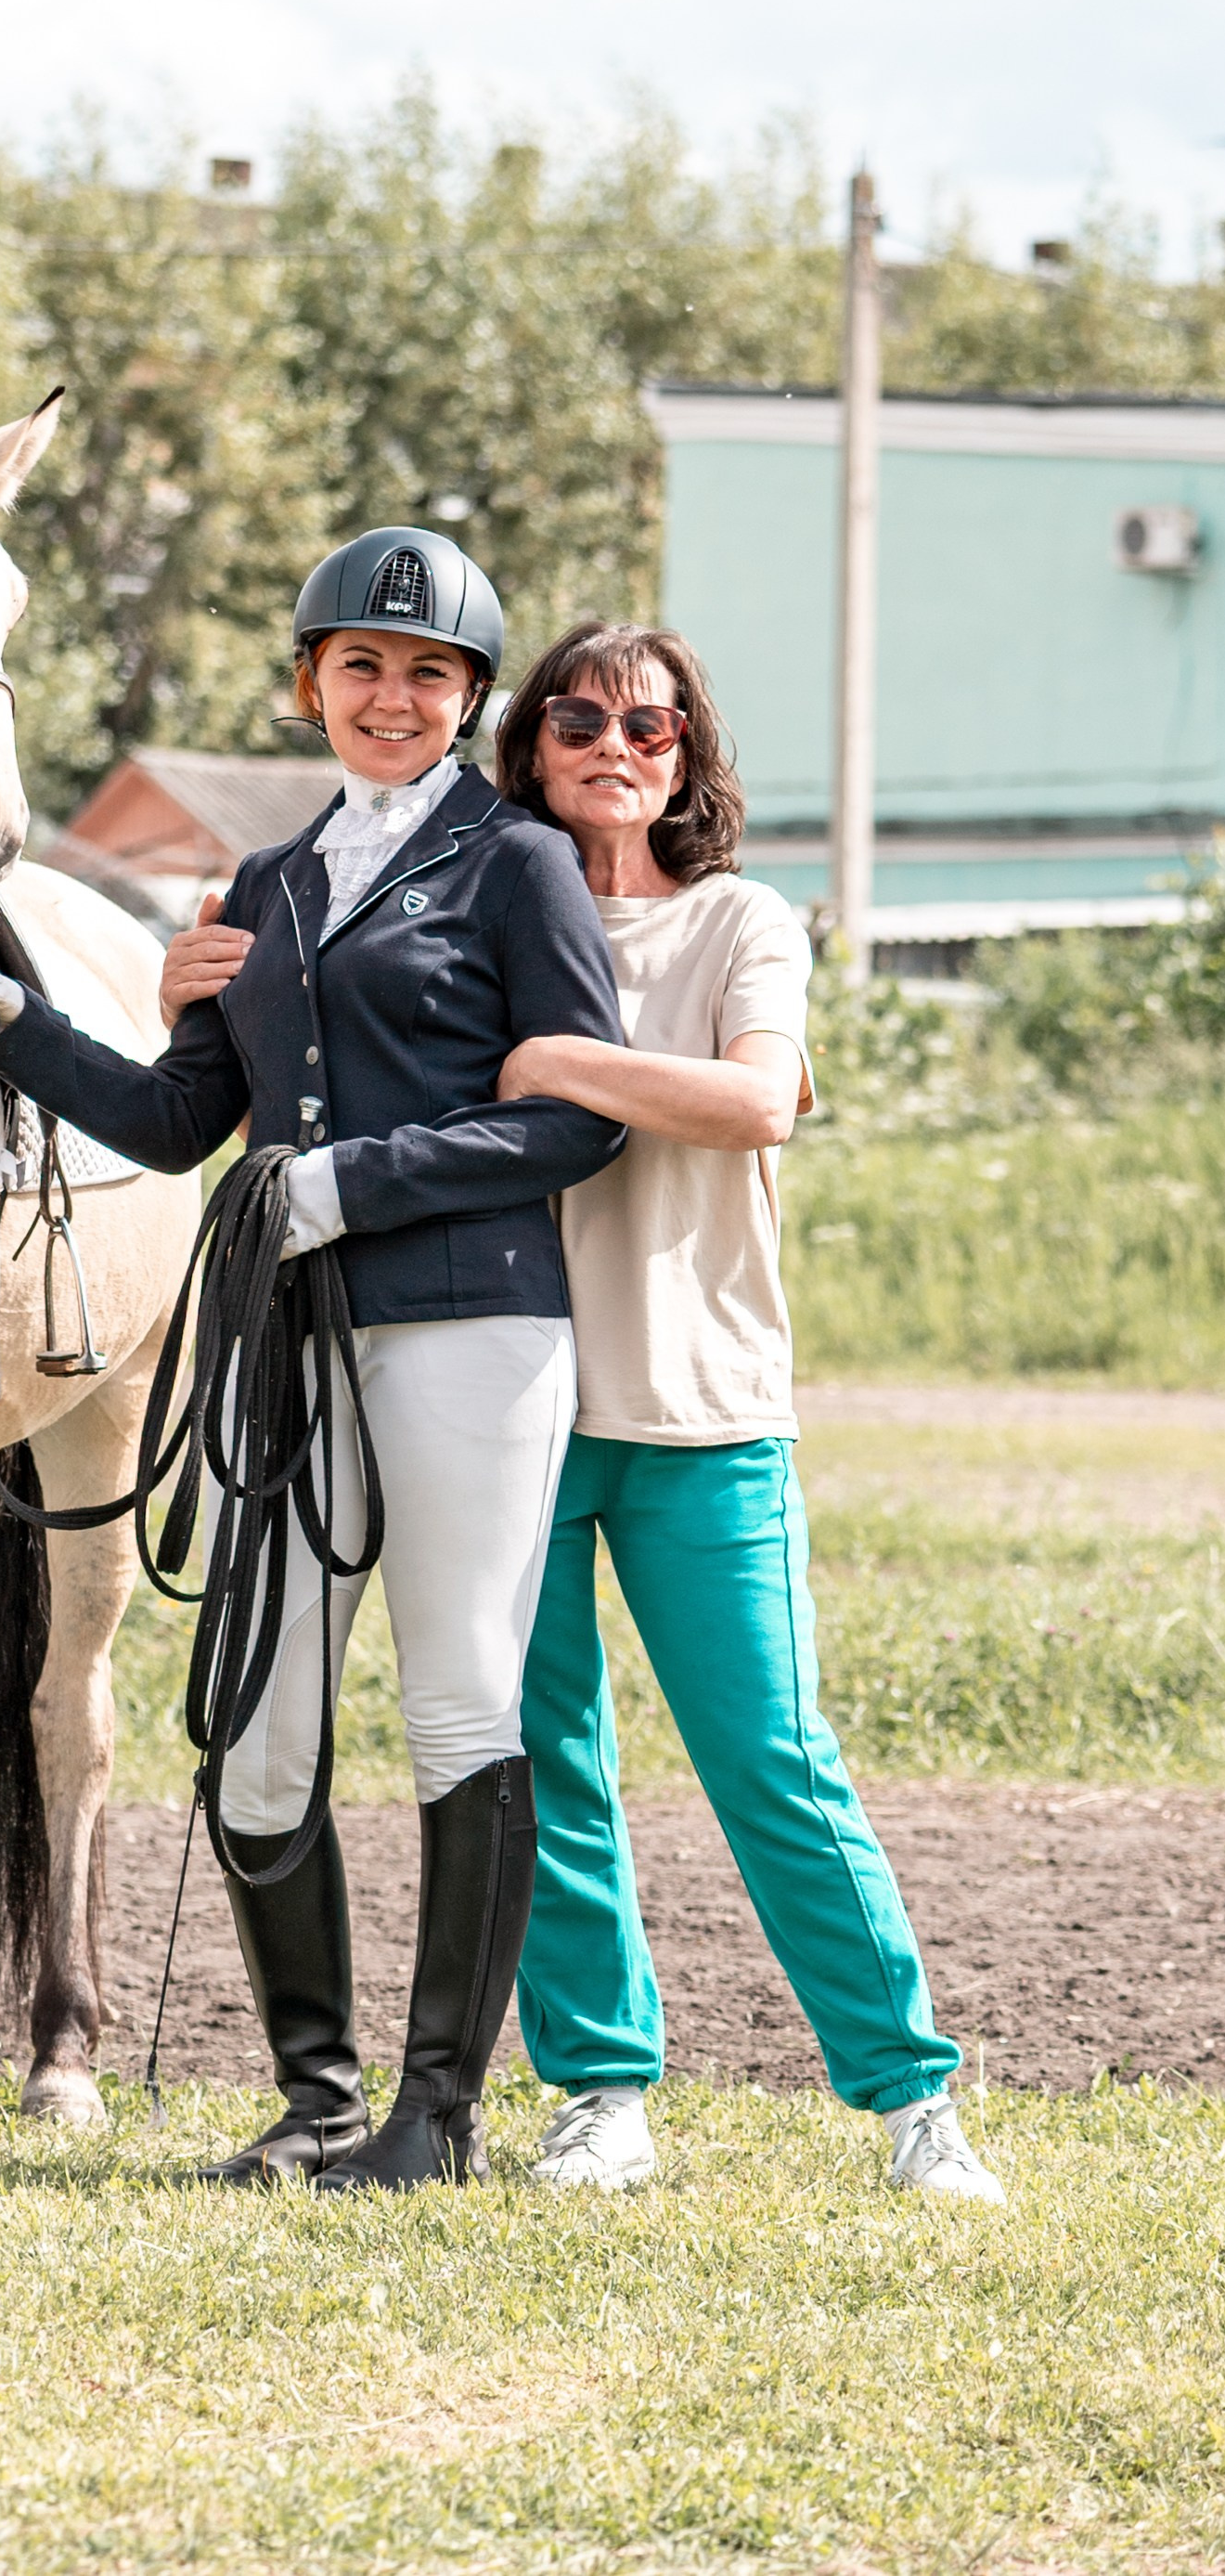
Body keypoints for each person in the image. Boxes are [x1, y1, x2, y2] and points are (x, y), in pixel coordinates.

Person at [0, 530, 626, 2191]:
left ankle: (434, 2115)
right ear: (310, 685)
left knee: (456, 1694)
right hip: (291, 1332)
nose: (391, 697)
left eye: (427, 675)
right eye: (360, 669)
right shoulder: (264, 889)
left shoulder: (518, 868)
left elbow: (575, 1114)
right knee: (254, 1716)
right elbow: (179, 1123)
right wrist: (19, 1028)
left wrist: (347, 1182)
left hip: (469, 1319)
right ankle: (314, 2098)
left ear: (466, 701)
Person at [478, 620, 1003, 2204]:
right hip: (506, 1404)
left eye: (649, 722)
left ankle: (914, 2103)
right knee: (542, 1761)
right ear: (533, 746)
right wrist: (197, 961)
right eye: (577, 717)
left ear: (688, 751)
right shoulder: (484, 911)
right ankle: (598, 2093)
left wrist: (559, 1058)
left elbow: (757, 1098)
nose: (612, 742)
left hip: (704, 1410)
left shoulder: (737, 920)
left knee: (771, 1757)